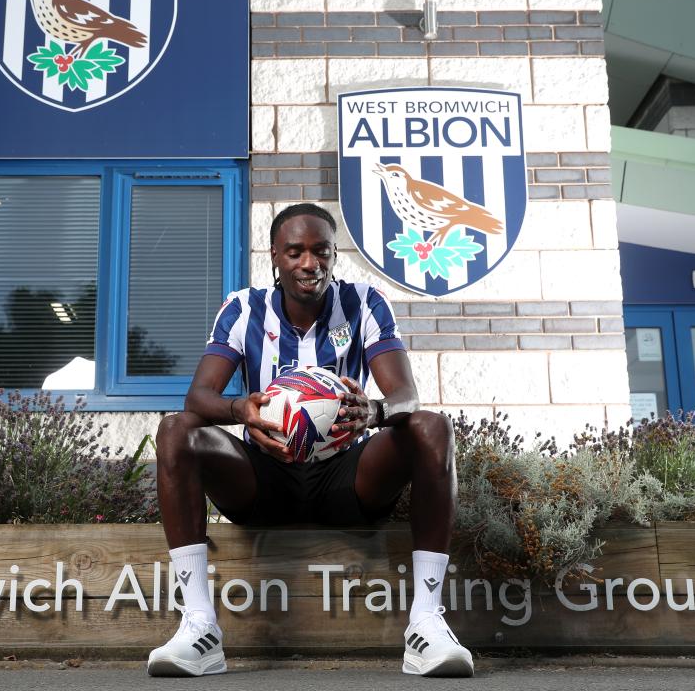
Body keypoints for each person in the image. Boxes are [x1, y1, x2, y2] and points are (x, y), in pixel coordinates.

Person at [147, 203, 473, 678]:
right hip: (264, 478)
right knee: (176, 430)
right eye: (295, 251)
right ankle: (199, 627)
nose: (309, 263)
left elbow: (406, 394)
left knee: (431, 427)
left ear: (334, 254)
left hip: (347, 478)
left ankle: (426, 623)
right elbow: (198, 396)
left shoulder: (364, 303)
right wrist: (243, 411)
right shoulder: (243, 309)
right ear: (275, 256)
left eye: (321, 251)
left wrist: (375, 413)